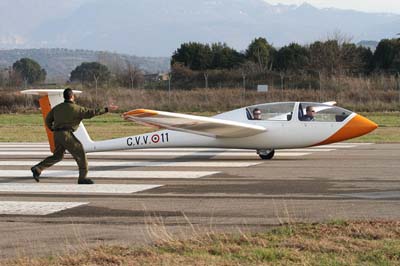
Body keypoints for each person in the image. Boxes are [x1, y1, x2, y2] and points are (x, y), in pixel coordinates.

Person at [30, 88, 118, 184]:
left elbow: (48, 119)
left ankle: (38, 168)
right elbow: (91, 113)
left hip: (57, 134)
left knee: (58, 156)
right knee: (80, 153)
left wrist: (51, 128)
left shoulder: (57, 108)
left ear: (64, 97)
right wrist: (106, 109)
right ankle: (82, 178)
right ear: (72, 96)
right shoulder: (76, 109)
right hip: (66, 135)